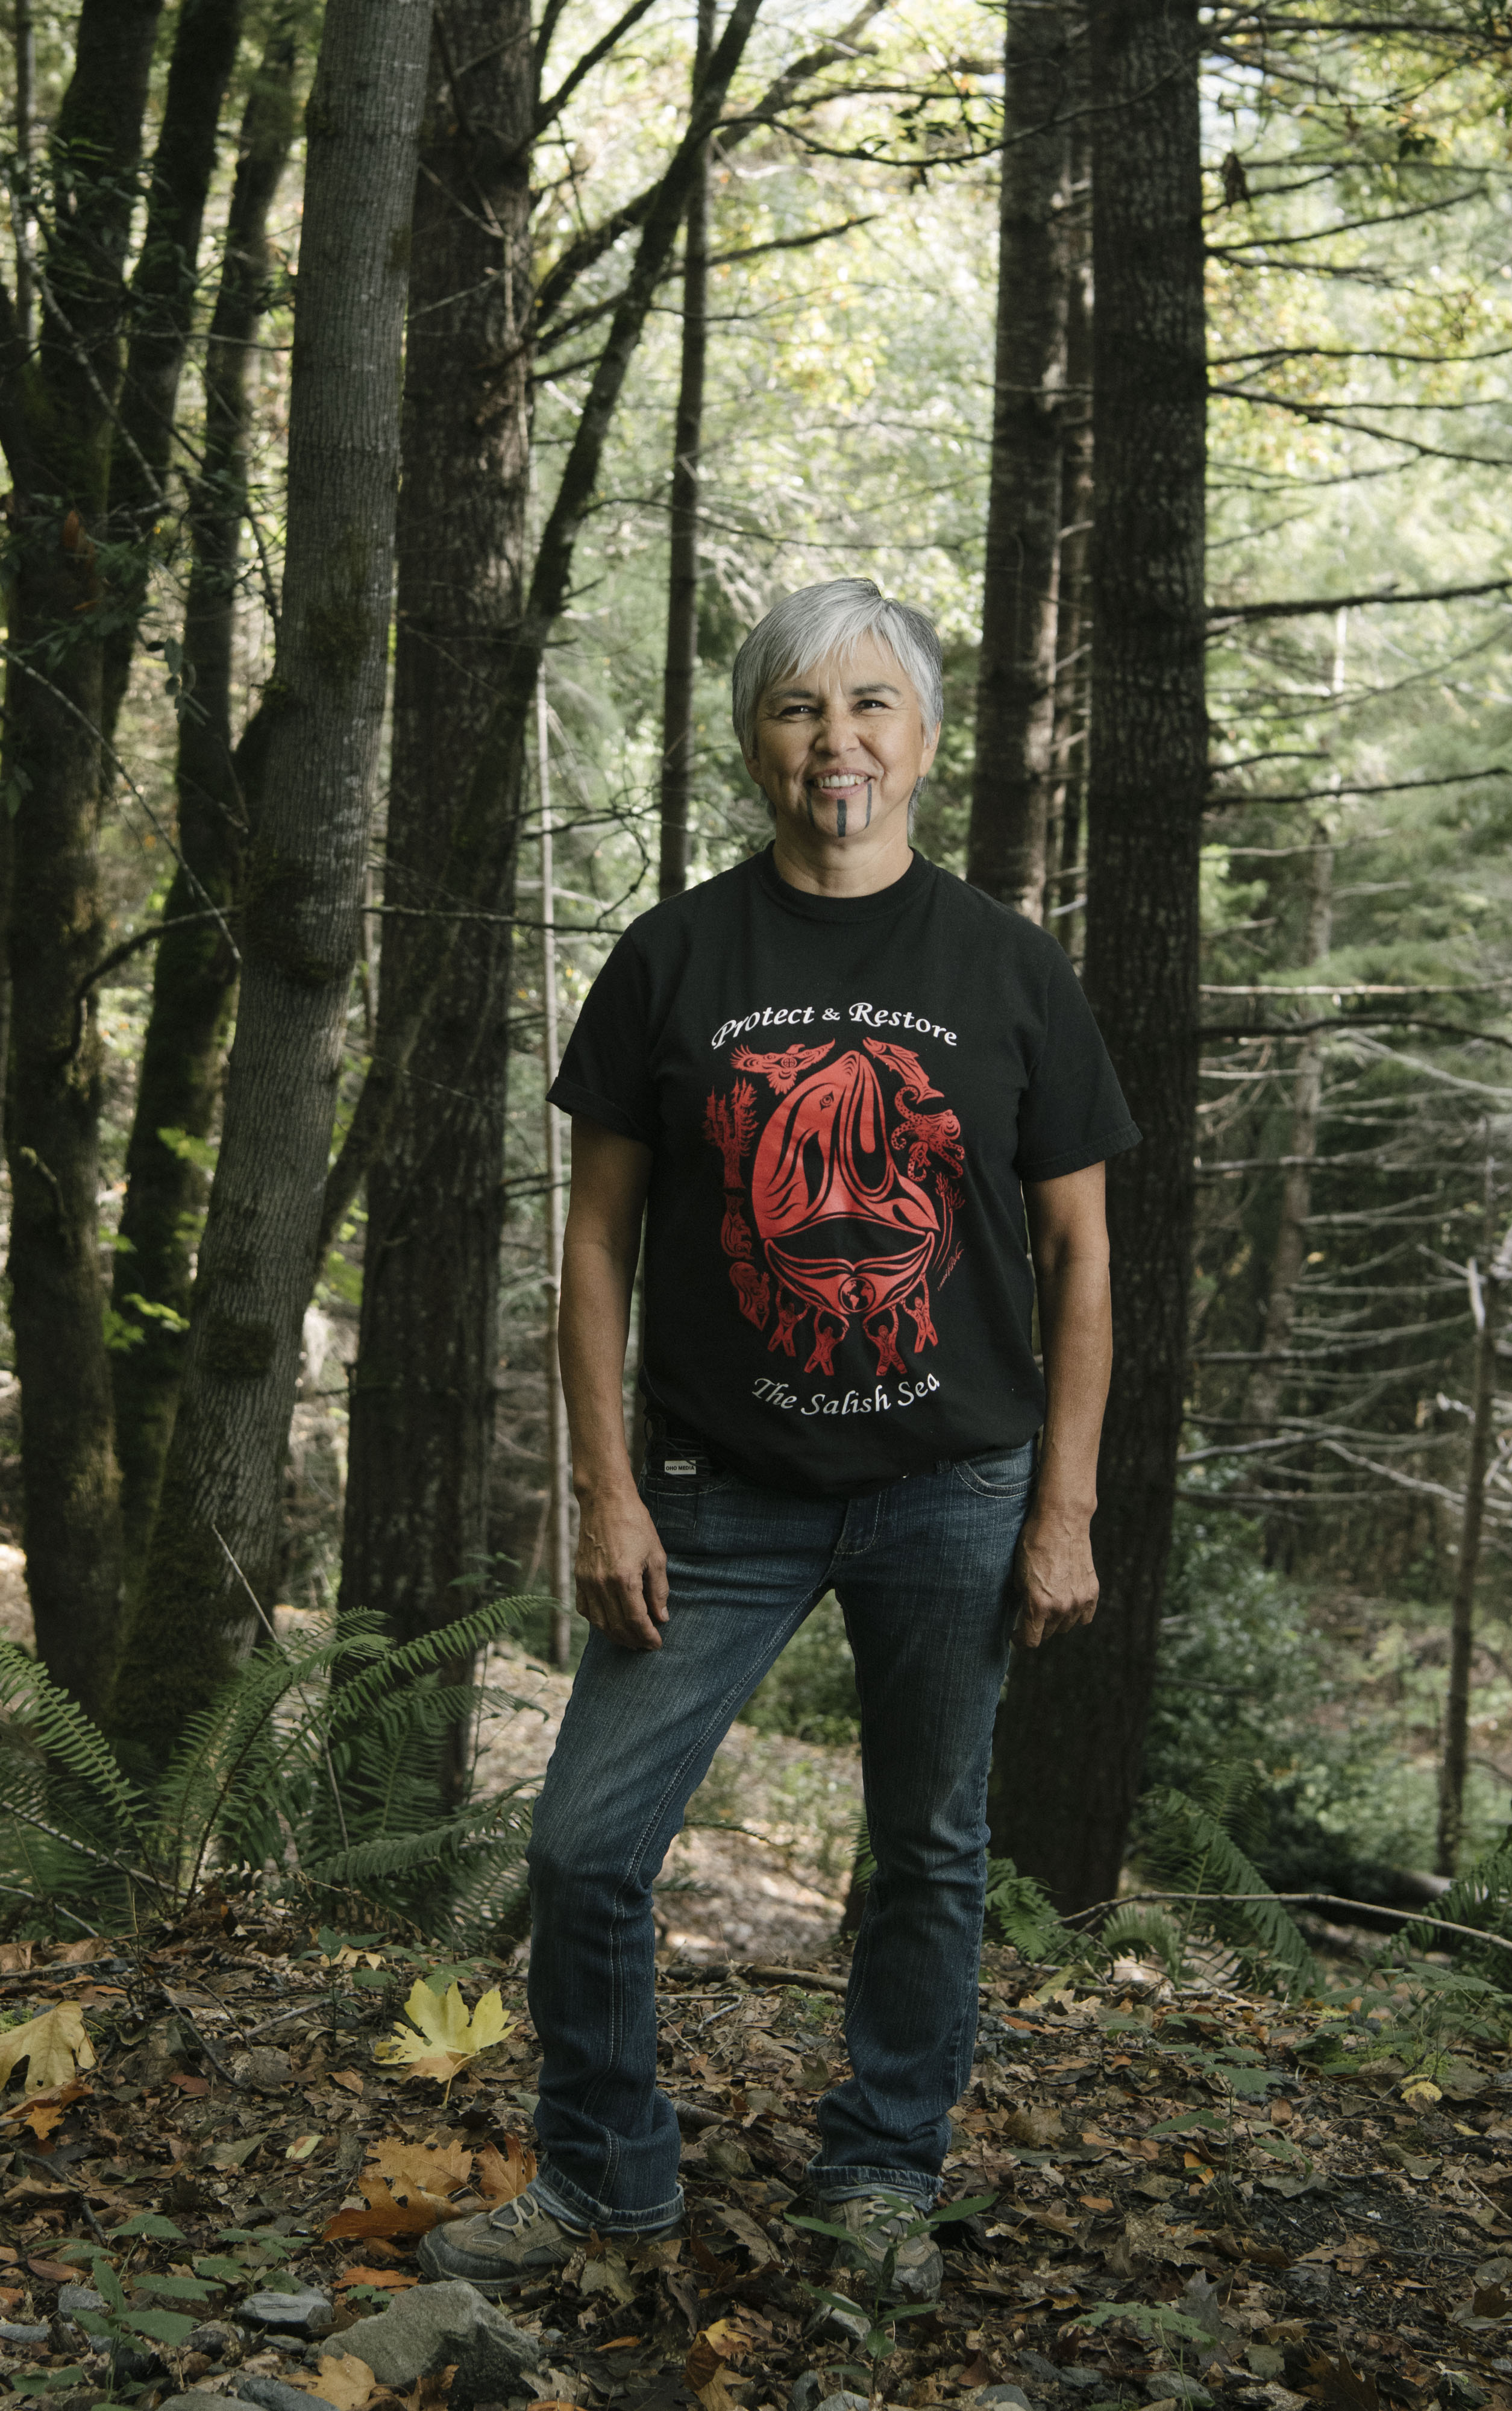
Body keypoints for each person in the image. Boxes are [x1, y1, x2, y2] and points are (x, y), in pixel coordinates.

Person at [421, 577, 1140, 2301]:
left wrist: (1065, 1505)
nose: (838, 741)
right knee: (585, 1845)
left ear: (924, 737)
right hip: (713, 1494)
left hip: (949, 1492)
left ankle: (883, 2172)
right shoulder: (676, 955)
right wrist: (603, 1491)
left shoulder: (1007, 968)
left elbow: (1077, 1255)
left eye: (871, 705)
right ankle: (604, 2178)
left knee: (927, 1853)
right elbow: (595, 1242)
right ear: (753, 738)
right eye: (799, 707)